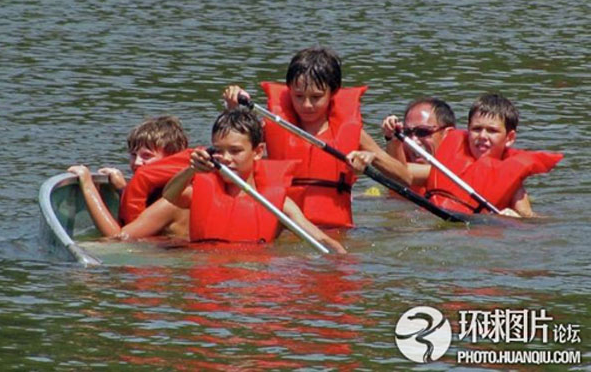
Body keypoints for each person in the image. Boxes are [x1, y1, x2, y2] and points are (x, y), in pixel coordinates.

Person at [223, 46, 411, 228]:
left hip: (335, 231)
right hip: (284, 229)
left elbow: (405, 178)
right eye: (298, 96)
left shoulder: (353, 133)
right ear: (289, 90)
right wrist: (233, 109)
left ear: (333, 93)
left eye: (316, 97)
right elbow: (231, 150)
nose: (306, 105)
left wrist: (371, 157)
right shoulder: (271, 127)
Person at [162, 108, 346, 253]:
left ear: (258, 152)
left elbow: (320, 239)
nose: (225, 158)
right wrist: (191, 170)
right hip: (209, 281)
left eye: (235, 151)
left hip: (252, 281)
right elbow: (169, 194)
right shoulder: (199, 190)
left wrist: (341, 259)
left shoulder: (278, 205)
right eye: (218, 150)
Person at [382, 93, 563, 217]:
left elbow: (532, 221)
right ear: (468, 131)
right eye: (476, 129)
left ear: (509, 138)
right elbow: (400, 173)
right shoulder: (441, 169)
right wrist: (392, 140)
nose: (482, 136)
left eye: (492, 131)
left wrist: (513, 219)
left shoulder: (513, 184)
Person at [68, 115, 193, 239]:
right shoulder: (162, 191)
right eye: (133, 155)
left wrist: (87, 185)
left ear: (171, 159)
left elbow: (118, 238)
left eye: (146, 156)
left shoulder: (178, 197)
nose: (137, 162)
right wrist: (123, 189)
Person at [381, 97, 456, 195]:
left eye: (422, 132)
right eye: (407, 132)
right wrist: (393, 137)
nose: (413, 141)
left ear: (448, 135)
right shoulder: (400, 155)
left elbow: (399, 173)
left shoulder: (455, 170)